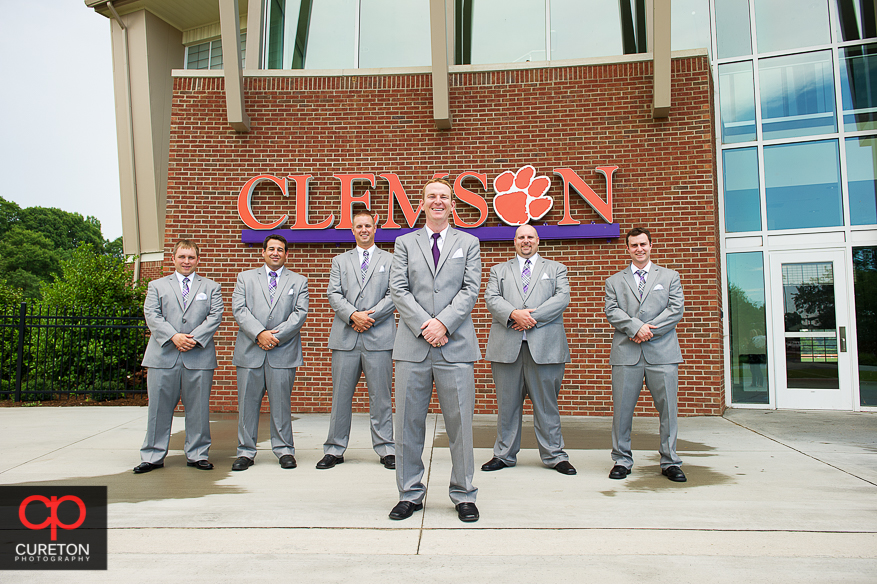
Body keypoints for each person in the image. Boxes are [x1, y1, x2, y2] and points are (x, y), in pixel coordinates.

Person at [388, 178, 482, 523]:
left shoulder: (468, 242)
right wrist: (426, 326)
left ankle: (464, 493)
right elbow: (398, 288)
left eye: (444, 196)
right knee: (408, 424)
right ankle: (409, 494)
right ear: (422, 203)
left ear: (452, 203)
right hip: (413, 346)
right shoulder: (404, 243)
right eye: (432, 196)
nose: (438, 201)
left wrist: (443, 324)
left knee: (460, 425)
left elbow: (470, 290)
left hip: (455, 346)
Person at [481, 224, 576, 475]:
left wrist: (530, 318)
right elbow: (492, 298)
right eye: (521, 237)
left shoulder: (556, 269)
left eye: (530, 237)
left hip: (545, 347)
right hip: (507, 347)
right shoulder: (498, 270)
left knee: (547, 404)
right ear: (514, 241)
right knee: (507, 404)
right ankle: (503, 454)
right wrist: (513, 314)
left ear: (538, 240)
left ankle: (555, 455)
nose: (526, 241)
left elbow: (561, 298)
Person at [605, 227, 686, 482]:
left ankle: (670, 461)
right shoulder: (614, 281)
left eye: (643, 244)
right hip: (626, 354)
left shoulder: (670, 277)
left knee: (668, 411)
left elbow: (675, 310)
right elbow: (612, 311)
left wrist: (647, 330)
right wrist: (635, 327)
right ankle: (621, 460)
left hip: (662, 354)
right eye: (634, 245)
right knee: (622, 411)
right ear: (627, 249)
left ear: (650, 245)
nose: (639, 249)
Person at [134, 239, 223, 473]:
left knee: (199, 408)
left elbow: (214, 317)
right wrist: (174, 337)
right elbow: (152, 315)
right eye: (182, 257)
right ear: (173, 259)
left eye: (191, 257)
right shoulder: (156, 286)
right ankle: (152, 455)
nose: (186, 261)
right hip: (162, 356)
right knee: (158, 409)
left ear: (198, 260)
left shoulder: (211, 287)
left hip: (198, 357)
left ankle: (197, 454)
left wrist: (191, 339)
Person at [318, 210, 396, 470]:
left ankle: (386, 448)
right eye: (359, 226)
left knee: (381, 397)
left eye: (368, 226)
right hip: (345, 338)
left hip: (379, 336)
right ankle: (335, 449)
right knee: (341, 396)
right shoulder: (340, 261)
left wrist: (368, 317)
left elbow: (394, 294)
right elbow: (333, 293)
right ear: (352, 230)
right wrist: (353, 316)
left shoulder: (391, 259)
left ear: (376, 229)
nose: (364, 230)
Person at [231, 234, 308, 471]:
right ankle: (245, 451)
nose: (276, 253)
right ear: (263, 252)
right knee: (247, 404)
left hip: (283, 352)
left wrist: (275, 336)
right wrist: (259, 334)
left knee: (282, 404)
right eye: (271, 249)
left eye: (280, 250)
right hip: (250, 351)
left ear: (287, 254)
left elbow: (299, 313)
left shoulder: (299, 281)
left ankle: (284, 450)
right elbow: (239, 310)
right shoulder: (244, 278)